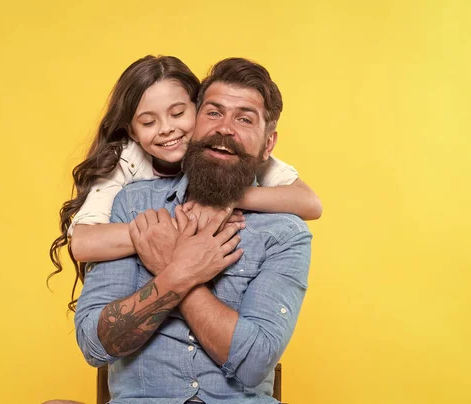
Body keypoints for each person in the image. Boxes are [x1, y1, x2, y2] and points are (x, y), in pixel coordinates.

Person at [74, 58, 312, 403]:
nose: (225, 129)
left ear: (268, 144)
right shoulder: (132, 206)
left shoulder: (285, 232)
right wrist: (181, 269)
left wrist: (175, 268)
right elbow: (95, 345)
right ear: (197, 121)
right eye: (213, 113)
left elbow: (254, 363)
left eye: (245, 119)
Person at [48, 55, 321, 311]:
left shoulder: (226, 150)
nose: (166, 128)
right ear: (132, 130)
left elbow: (310, 204)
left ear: (199, 108)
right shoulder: (125, 161)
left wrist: (227, 199)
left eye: (178, 114)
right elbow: (83, 243)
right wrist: (175, 229)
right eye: (148, 121)